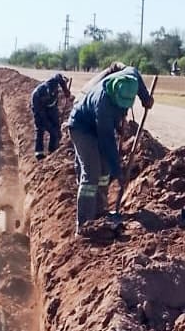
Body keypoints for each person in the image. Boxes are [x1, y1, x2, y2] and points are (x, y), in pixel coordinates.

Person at [66, 65, 154, 233]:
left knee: (104, 170)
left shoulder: (131, 77)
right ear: (114, 94)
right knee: (91, 172)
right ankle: (84, 224)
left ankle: (100, 211)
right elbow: (107, 142)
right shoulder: (103, 103)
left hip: (100, 126)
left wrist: (145, 97)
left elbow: (135, 72)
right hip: (82, 128)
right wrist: (118, 170)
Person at [31, 73, 72, 160]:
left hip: (51, 107)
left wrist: (66, 91)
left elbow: (59, 76)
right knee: (40, 128)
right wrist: (50, 127)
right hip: (40, 110)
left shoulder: (54, 81)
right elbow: (42, 117)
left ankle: (52, 151)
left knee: (56, 128)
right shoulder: (36, 96)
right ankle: (39, 153)